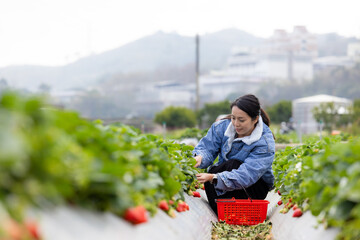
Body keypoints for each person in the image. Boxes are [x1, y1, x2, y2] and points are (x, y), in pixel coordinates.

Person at [193, 94, 275, 214]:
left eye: (241, 120)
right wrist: (200, 157)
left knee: (232, 164)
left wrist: (214, 178)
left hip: (253, 188)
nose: (236, 123)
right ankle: (223, 210)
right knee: (216, 170)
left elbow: (247, 175)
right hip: (225, 182)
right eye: (233, 118)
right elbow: (207, 148)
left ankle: (236, 211)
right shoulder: (221, 127)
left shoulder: (264, 143)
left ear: (255, 119)